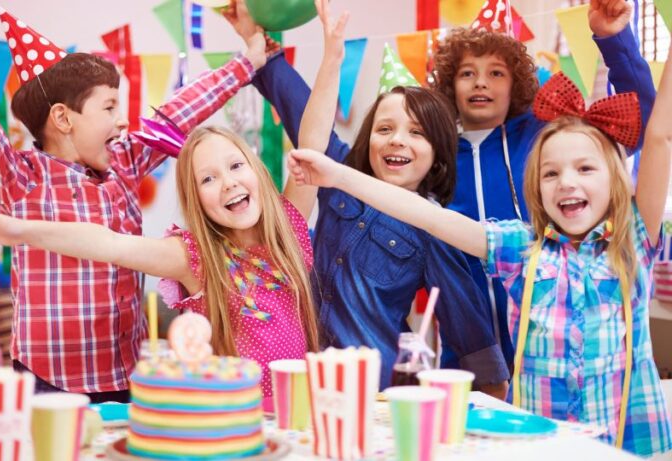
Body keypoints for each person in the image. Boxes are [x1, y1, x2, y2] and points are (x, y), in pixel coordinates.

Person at [287, 46, 672, 455]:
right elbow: (428, 217)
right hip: (541, 441)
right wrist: (337, 175)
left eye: (585, 168)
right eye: (551, 173)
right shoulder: (521, 248)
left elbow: (661, 137)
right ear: (535, 188)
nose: (567, 183)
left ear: (614, 180)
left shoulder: (631, 242)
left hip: (630, 441)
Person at [0, 1, 270, 401]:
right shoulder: (17, 178)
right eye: (110, 107)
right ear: (63, 119)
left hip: (125, 377)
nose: (122, 120)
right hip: (48, 381)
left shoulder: (126, 161)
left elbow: (177, 113)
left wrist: (247, 62)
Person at [231, 0, 508, 395]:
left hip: (371, 392)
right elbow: (302, 109)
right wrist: (254, 39)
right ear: (368, 139)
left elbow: (468, 325)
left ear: (437, 155)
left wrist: (491, 396)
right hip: (300, 377)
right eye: (386, 128)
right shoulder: (338, 173)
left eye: (417, 133)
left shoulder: (434, 228)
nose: (398, 139)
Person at [0, 126, 321, 401]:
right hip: (231, 422)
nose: (227, 183)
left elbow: (313, 142)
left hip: (298, 418)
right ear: (197, 200)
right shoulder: (195, 257)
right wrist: (15, 229)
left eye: (236, 166)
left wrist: (333, 51)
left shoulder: (285, 230)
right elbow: (108, 244)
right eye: (208, 178)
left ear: (256, 170)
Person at [433, 0, 657, 367]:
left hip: (552, 350)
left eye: (496, 73)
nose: (481, 83)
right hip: (465, 359)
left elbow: (638, 121)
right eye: (467, 73)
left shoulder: (546, 137)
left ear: (517, 83)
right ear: (450, 84)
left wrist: (613, 38)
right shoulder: (435, 153)